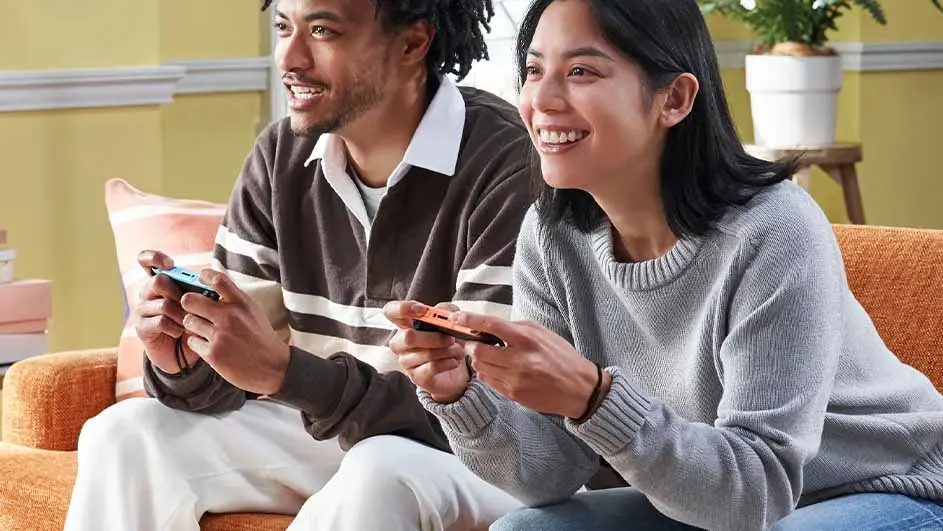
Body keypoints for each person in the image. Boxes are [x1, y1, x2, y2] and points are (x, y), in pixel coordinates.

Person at [388, 0, 943, 530]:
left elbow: (758, 490)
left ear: (674, 99)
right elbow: (548, 476)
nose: (542, 100)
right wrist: (458, 395)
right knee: (526, 527)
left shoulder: (772, 229)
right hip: (725, 498)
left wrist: (591, 396)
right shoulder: (553, 236)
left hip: (889, 485)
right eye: (534, 71)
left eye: (581, 71)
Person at [63, 0, 532, 529]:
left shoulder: (507, 163)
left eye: (323, 31)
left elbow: (487, 416)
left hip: (486, 460)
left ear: (412, 44)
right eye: (284, 27)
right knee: (125, 434)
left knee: (380, 469)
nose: (290, 57)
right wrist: (183, 354)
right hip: (337, 432)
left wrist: (287, 372)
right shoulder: (281, 155)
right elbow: (232, 380)